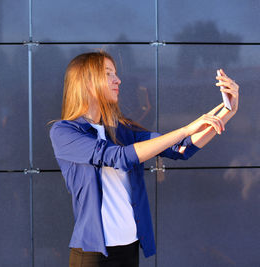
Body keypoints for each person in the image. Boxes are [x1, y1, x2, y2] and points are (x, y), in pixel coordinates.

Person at [49, 51, 239, 267]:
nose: (117, 80)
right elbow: (117, 157)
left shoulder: (122, 130)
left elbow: (181, 149)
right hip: (93, 254)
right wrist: (185, 129)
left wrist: (228, 111)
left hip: (129, 248)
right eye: (108, 73)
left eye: (115, 73)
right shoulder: (64, 132)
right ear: (86, 81)